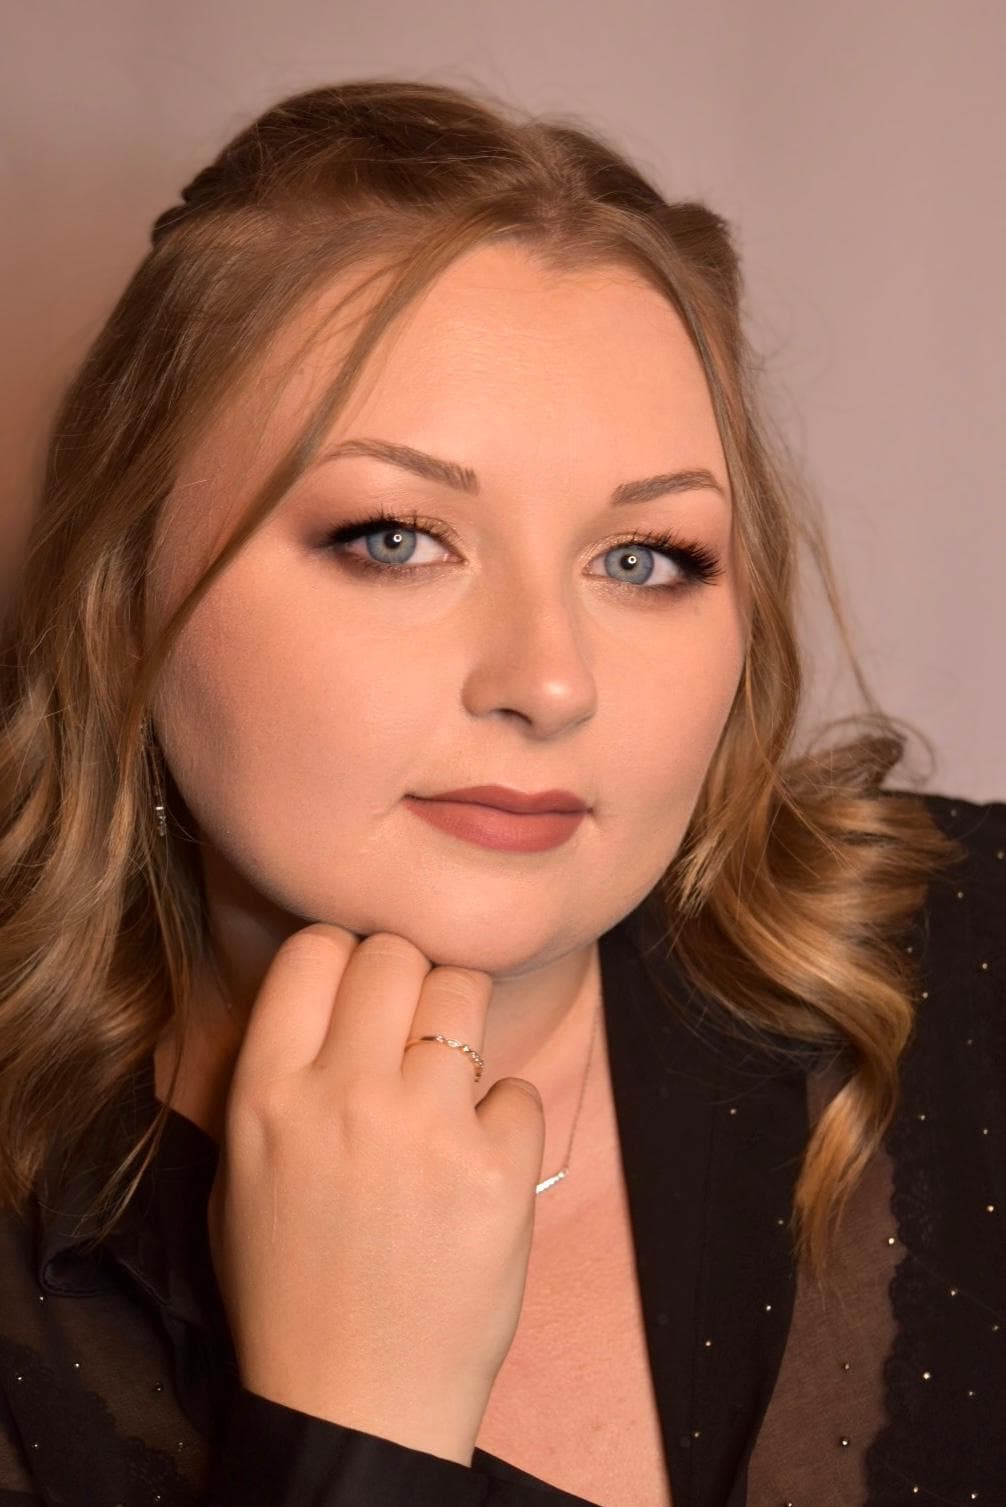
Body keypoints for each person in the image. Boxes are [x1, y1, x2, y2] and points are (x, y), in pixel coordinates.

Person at [0, 76, 1002, 1507]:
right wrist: (356, 1422)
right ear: (122, 589)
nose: (549, 681)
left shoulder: (969, 976)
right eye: (397, 538)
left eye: (644, 558)